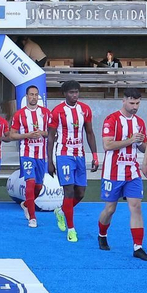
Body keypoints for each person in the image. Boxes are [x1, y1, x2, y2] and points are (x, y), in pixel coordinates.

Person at [99, 89, 147, 260]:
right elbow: (107, 146)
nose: (135, 106)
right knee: (110, 209)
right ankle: (102, 234)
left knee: (136, 207)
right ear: (123, 101)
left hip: (132, 171)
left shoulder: (140, 122)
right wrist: (131, 140)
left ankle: (138, 247)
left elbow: (143, 147)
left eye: (137, 103)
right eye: (131, 103)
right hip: (113, 172)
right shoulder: (111, 119)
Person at [49, 80, 99, 242]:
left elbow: (90, 133)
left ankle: (61, 211)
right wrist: (49, 161)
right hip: (63, 155)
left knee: (81, 193)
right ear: (64, 94)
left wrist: (95, 156)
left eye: (76, 92)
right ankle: (71, 229)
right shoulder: (57, 111)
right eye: (71, 92)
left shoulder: (85, 109)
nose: (74, 95)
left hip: (80, 155)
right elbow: (50, 137)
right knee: (69, 191)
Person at [10, 84, 51, 228]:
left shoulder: (46, 113)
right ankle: (32, 218)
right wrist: (27, 135)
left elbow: (52, 133)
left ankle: (27, 204)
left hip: (41, 154)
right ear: (26, 96)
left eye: (36, 95)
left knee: (39, 186)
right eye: (31, 94)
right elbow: (12, 134)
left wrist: (43, 133)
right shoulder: (20, 114)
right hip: (26, 153)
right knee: (30, 182)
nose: (33, 97)